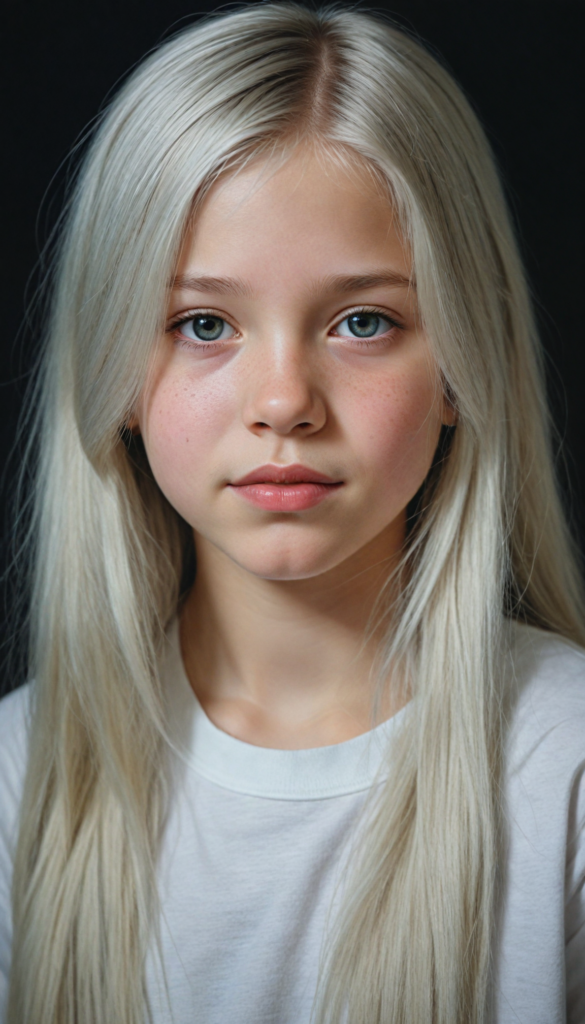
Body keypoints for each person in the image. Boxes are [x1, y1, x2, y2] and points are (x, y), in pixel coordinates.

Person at [0, 4, 583, 1023]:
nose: (283, 401)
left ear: (459, 365)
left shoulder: (568, 766)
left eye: (364, 321)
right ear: (116, 374)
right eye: (203, 323)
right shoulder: (16, 784)